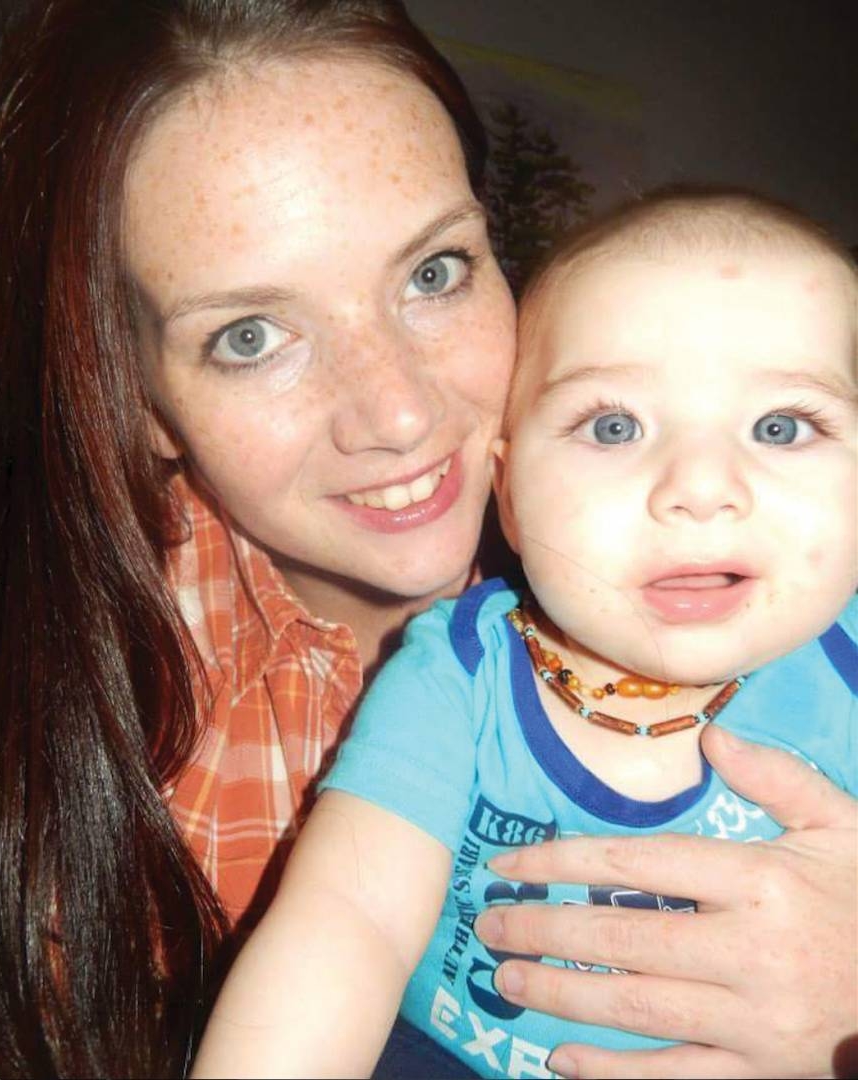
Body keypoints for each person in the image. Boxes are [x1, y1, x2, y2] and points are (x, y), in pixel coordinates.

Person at [0, 0, 855, 1073]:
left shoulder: (767, 557)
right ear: (138, 399)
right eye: (251, 336)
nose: (396, 414)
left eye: (434, 273)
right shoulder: (39, 721)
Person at [190, 189, 858, 1080]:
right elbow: (351, 919)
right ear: (507, 489)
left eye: (781, 427)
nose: (701, 489)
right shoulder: (458, 669)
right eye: (614, 426)